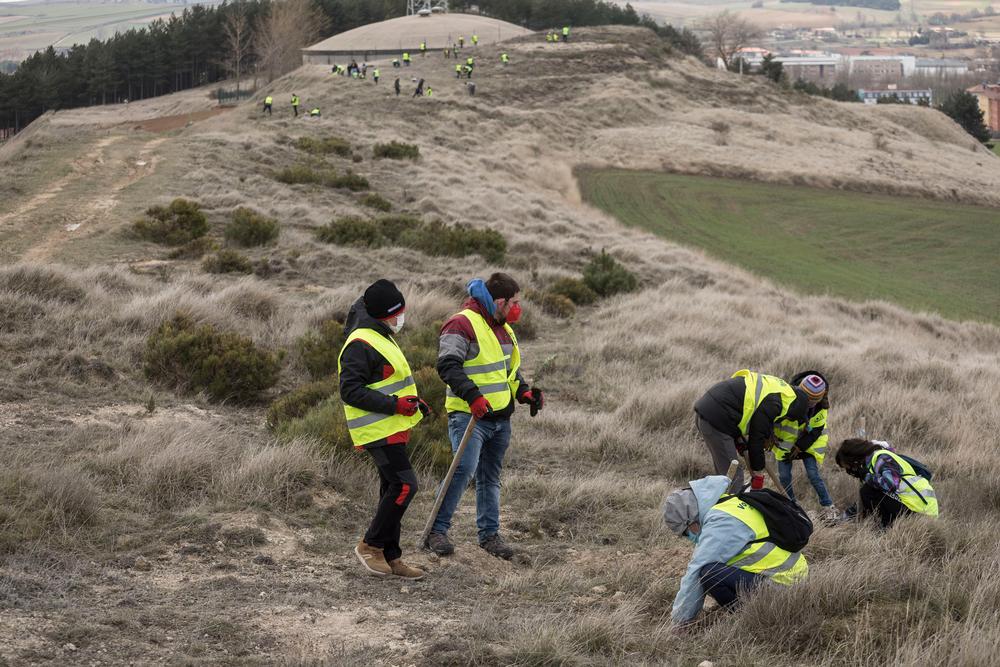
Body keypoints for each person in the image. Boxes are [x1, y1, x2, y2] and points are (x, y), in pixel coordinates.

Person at [425, 274, 544, 559]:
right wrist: (472, 396)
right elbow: (447, 366)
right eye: (515, 302)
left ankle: (490, 537)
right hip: (470, 416)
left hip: (500, 419)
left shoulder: (504, 329)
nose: (518, 308)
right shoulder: (461, 323)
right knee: (462, 471)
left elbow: (509, 372)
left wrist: (524, 393)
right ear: (499, 301)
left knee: (490, 478)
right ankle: (436, 531)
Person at [339, 279, 430, 580]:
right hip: (377, 430)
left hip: (392, 427)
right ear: (383, 314)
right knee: (405, 487)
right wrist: (394, 405)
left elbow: (390, 381)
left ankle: (392, 557)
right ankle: (370, 545)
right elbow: (350, 391)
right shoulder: (359, 343)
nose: (401, 319)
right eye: (397, 313)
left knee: (390, 490)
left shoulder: (380, 335)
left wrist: (414, 404)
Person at [663, 474, 809, 627]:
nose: (689, 538)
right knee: (717, 571)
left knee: (710, 574)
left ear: (690, 520)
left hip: (784, 585)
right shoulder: (730, 503)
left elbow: (695, 572)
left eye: (686, 533)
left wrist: (680, 622)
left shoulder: (721, 522)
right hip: (793, 574)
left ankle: (753, 619)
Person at [694, 370, 810, 493]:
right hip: (716, 418)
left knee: (725, 477)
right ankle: (730, 510)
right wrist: (758, 472)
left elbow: (741, 411)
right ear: (794, 411)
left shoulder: (779, 391)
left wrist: (740, 442)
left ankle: (719, 503)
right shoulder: (776, 404)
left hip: (711, 412)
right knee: (733, 479)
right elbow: (757, 438)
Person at [773, 372, 837, 520]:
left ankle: (828, 506)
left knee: (813, 475)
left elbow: (816, 431)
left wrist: (800, 447)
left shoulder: (821, 408)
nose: (811, 403)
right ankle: (791, 505)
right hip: (786, 441)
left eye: (815, 400)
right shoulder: (787, 399)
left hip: (809, 443)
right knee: (784, 476)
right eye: (808, 399)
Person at [835, 439, 938, 529]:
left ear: (853, 459)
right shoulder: (873, 464)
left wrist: (866, 476)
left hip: (920, 513)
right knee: (868, 490)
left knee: (867, 491)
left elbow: (890, 484)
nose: (850, 471)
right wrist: (841, 520)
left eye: (848, 467)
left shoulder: (881, 458)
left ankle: (885, 530)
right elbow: (862, 502)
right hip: (915, 508)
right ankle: (887, 529)